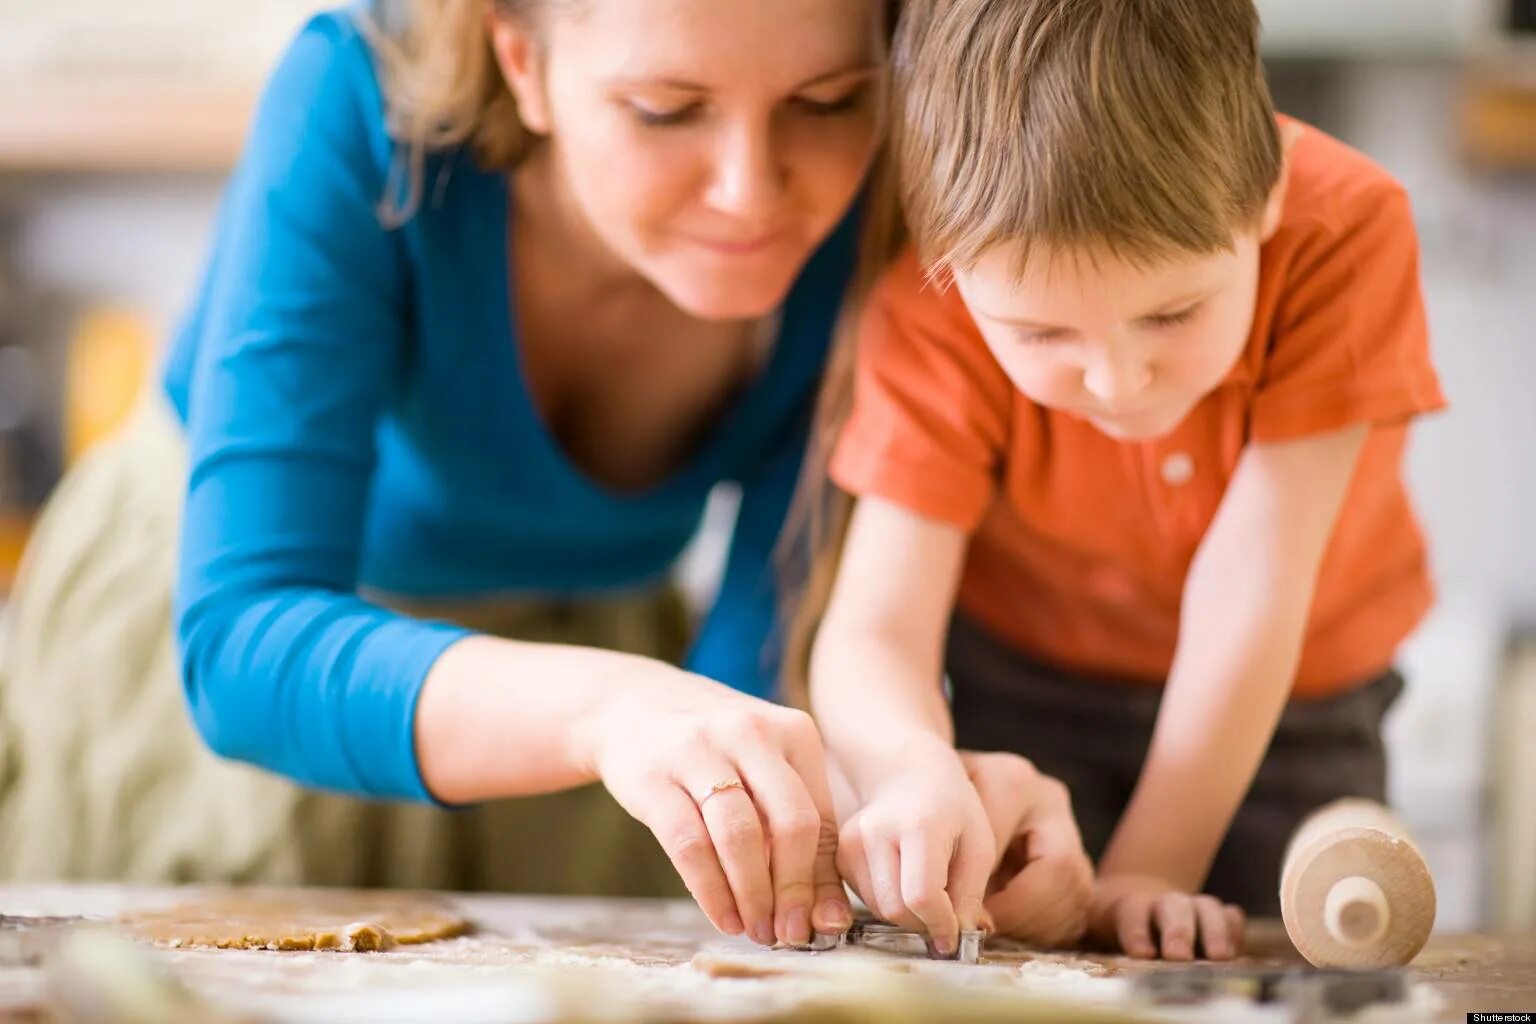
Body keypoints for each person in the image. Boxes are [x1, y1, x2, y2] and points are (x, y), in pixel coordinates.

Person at [794, 0, 1444, 960]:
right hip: (1028, 689)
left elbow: (1254, 578)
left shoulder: (1347, 228)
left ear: (1264, 201)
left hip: (1293, 703)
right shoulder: (924, 298)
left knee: (1305, 956)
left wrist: (1153, 867)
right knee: (1026, 959)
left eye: (1173, 313)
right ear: (948, 267)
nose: (1115, 379)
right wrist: (908, 769)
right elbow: (876, 627)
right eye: (1041, 334)